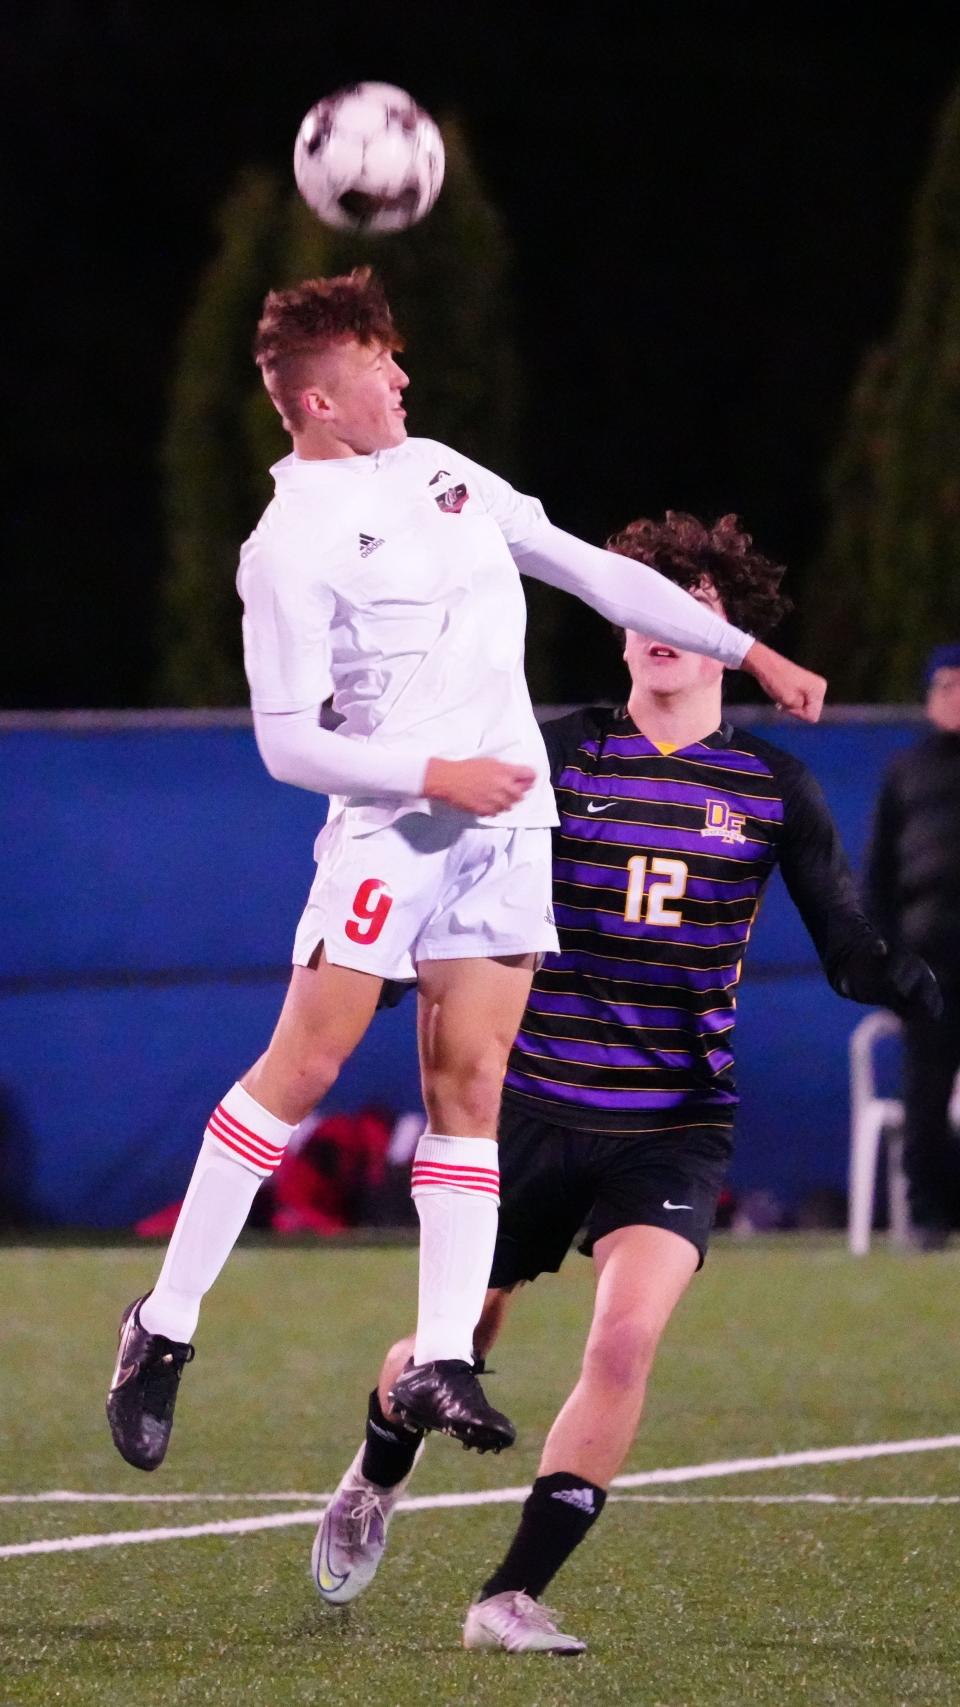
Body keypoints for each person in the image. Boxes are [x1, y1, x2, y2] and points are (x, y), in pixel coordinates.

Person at [106, 269, 827, 1474]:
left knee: (473, 1081)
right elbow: (287, 742)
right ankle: (163, 1326)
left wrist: (745, 648)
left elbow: (589, 569)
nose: (402, 376)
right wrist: (436, 774)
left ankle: (442, 1350)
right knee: (306, 1066)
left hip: (505, 824)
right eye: (380, 364)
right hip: (396, 826)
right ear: (321, 403)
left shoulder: (443, 470)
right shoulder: (285, 546)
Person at [313, 511, 940, 1654]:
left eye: (694, 610)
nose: (666, 629)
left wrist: (933, 994)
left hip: (673, 1122)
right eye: (648, 606)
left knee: (624, 1343)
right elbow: (444, 858)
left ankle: (506, 1597)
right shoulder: (562, 751)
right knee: (454, 1343)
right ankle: (373, 1471)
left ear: (729, 637)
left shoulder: (770, 786)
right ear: (621, 631)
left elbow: (851, 951)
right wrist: (385, 964)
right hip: (532, 1102)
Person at [863, 644, 960, 1248]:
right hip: (932, 963)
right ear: (928, 697)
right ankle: (928, 1217)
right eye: (945, 684)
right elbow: (877, 878)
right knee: (924, 1096)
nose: (955, 695)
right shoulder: (907, 771)